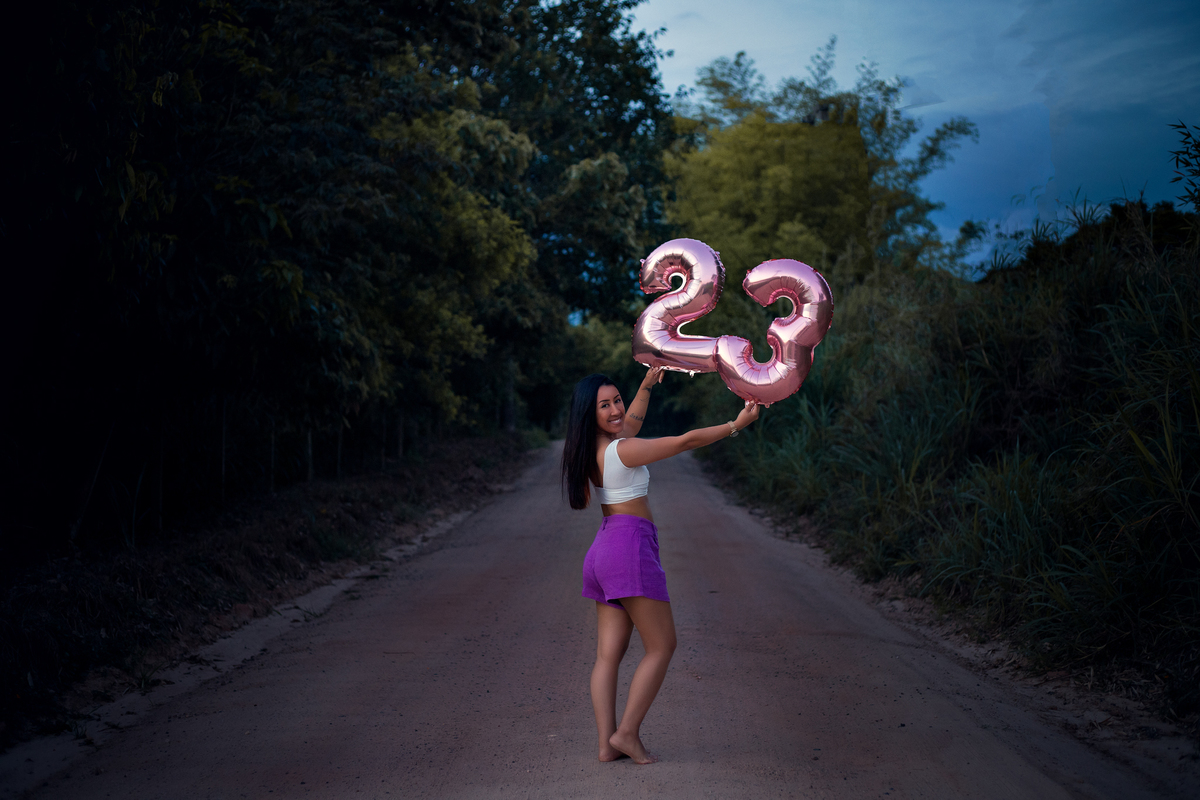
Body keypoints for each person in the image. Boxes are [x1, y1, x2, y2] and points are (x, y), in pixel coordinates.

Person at [561, 367, 760, 764]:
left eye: (617, 399)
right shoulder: (623, 450)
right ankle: (628, 733)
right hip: (629, 548)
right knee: (662, 645)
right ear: (590, 414)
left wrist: (646, 386)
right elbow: (684, 441)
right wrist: (735, 425)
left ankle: (606, 745)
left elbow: (630, 423)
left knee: (607, 657)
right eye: (605, 405)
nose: (617, 409)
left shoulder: (593, 451)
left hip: (603, 549)